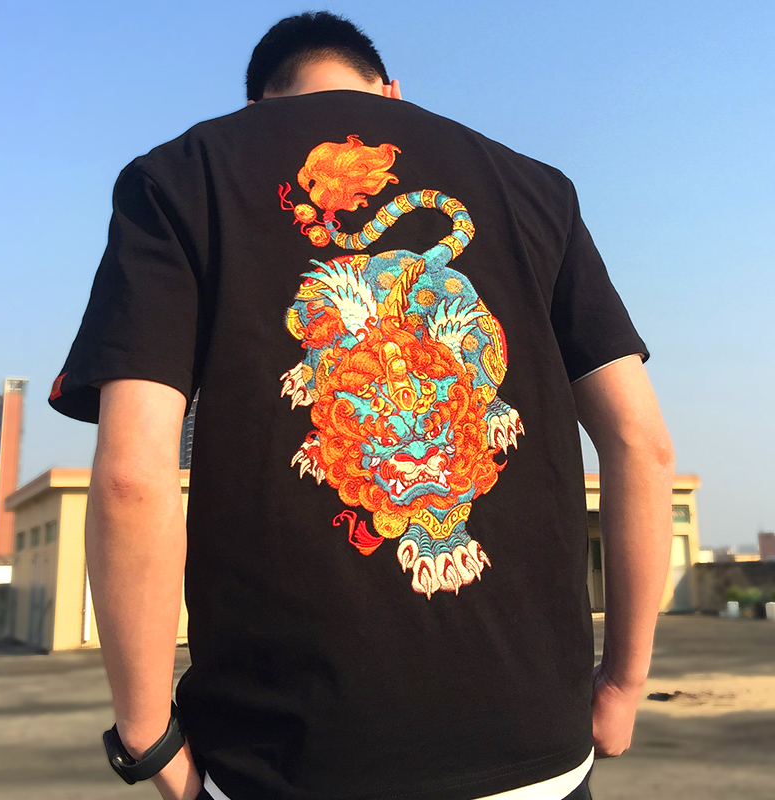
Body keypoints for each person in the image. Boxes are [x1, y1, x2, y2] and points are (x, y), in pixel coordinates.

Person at [49, 11, 674, 800]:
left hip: (289, 758)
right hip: (537, 749)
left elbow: (132, 477)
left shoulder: (181, 175)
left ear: (255, 106)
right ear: (392, 93)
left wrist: (146, 736)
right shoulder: (537, 188)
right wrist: (623, 683)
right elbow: (641, 444)